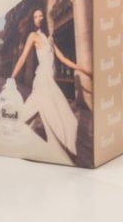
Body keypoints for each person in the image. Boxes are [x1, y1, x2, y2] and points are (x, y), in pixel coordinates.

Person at [9, 8, 84, 158]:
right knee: (53, 113)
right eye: (36, 16)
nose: (39, 18)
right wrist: (11, 78)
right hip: (43, 80)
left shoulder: (49, 39)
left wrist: (81, 68)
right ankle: (11, 128)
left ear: (44, 18)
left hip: (49, 81)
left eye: (40, 16)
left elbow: (62, 59)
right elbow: (22, 58)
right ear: (33, 20)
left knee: (43, 111)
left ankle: (14, 129)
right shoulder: (33, 36)